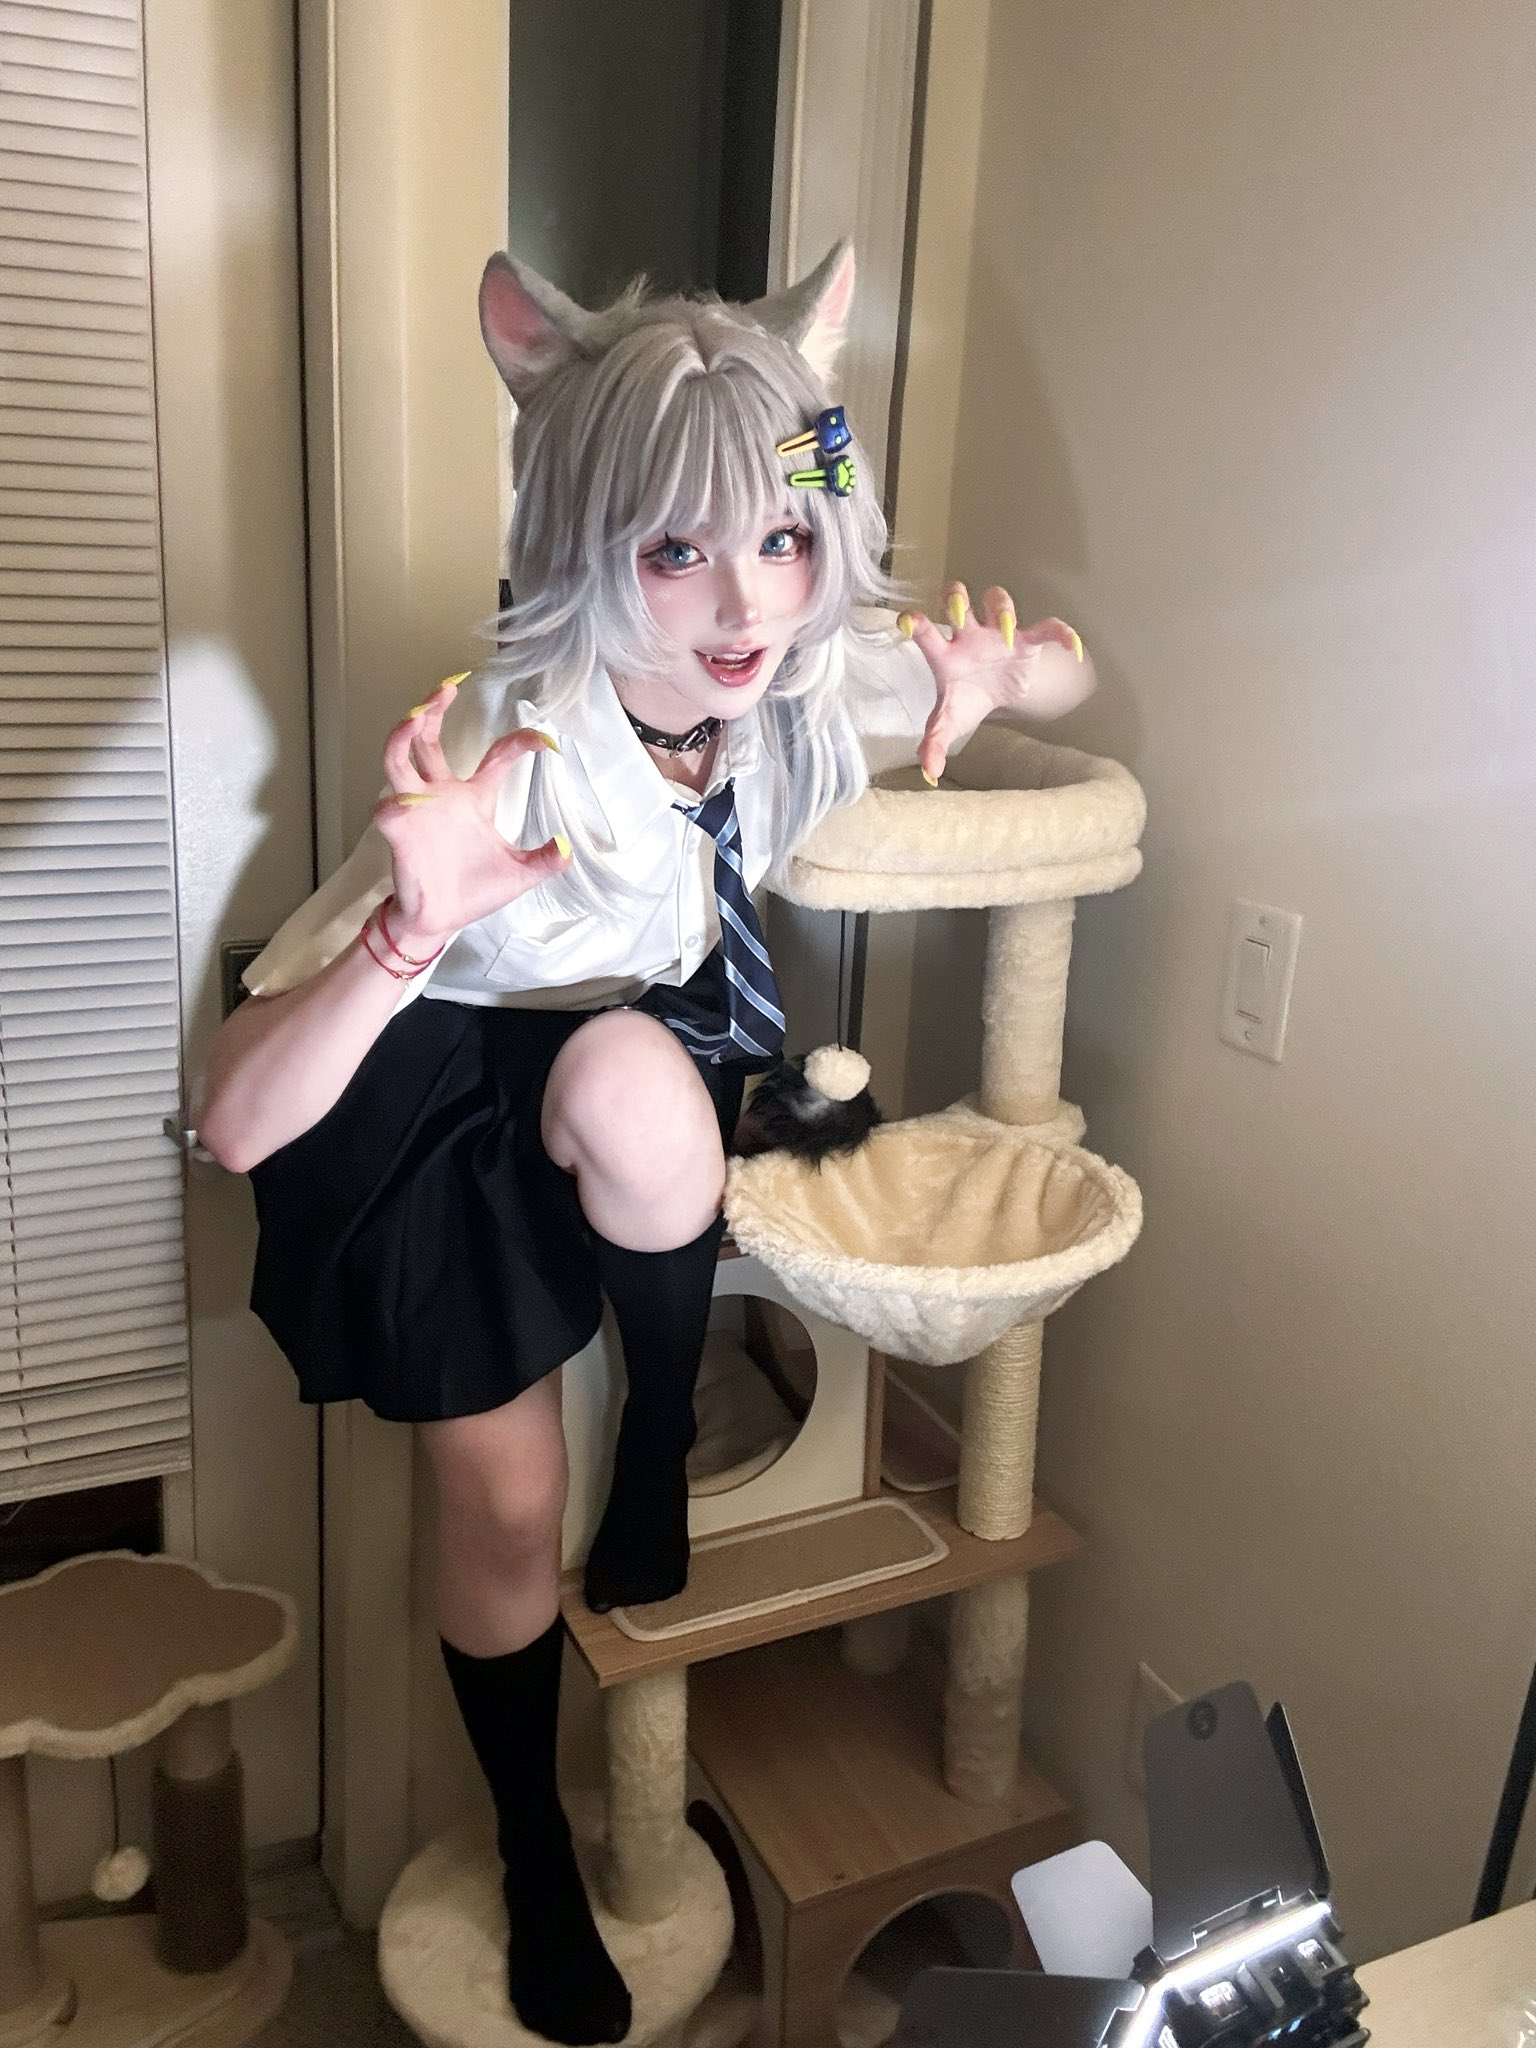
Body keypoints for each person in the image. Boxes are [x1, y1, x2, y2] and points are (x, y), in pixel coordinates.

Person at [197, 241, 1095, 2046]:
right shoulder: (510, 748)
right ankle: (537, 1851)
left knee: (639, 1091)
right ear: (586, 538)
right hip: (414, 1065)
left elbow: (1061, 673)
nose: (741, 603)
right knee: (507, 1509)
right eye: (675, 550)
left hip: (604, 1039)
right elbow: (233, 1122)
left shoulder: (801, 667)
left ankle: (664, 1439)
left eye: (781, 537)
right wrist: (409, 932)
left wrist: (1004, 675)